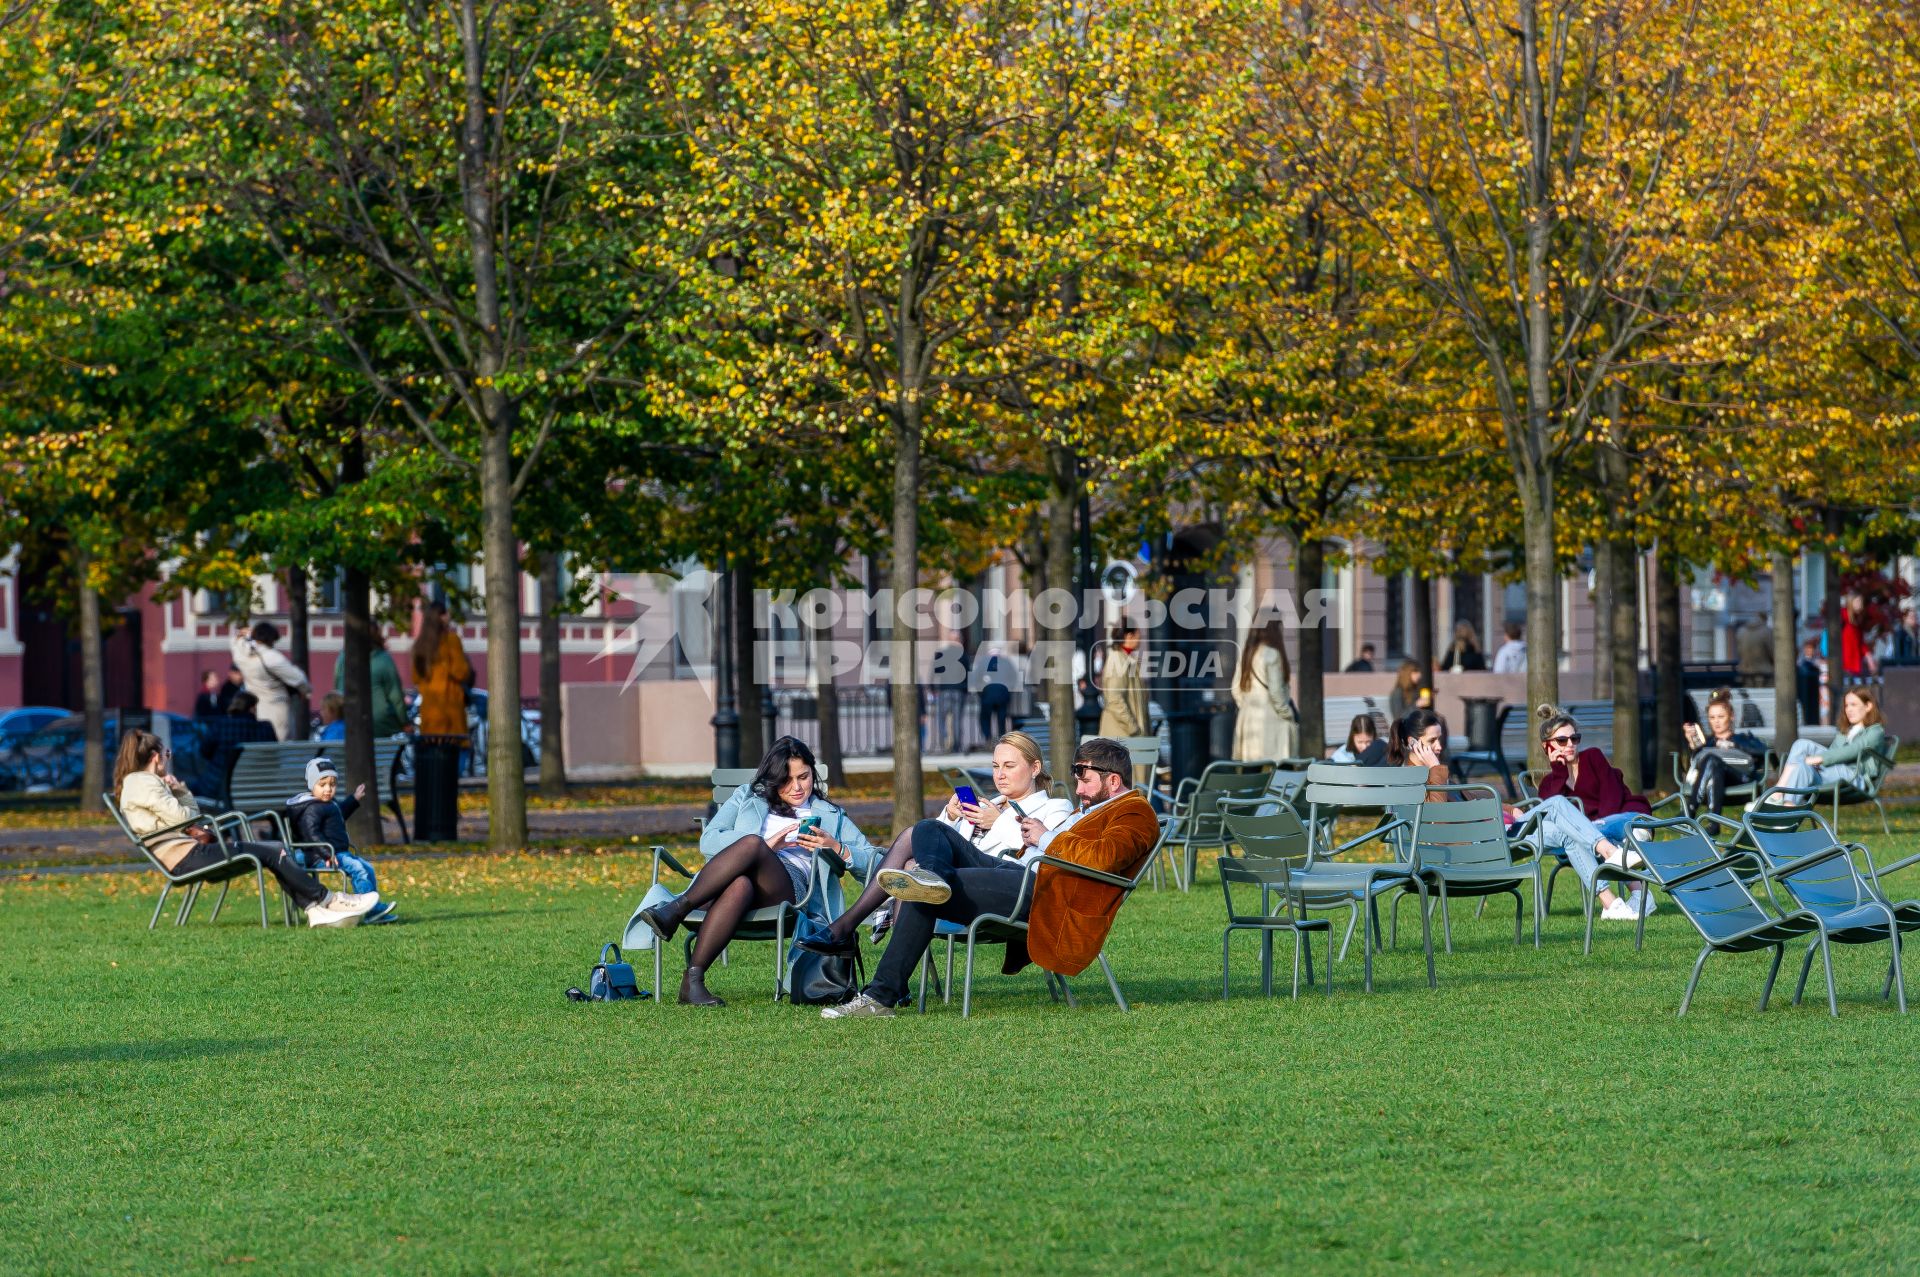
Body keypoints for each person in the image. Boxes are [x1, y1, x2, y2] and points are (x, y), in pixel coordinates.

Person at [822, 737, 1160, 1019]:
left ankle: (879, 997)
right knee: (928, 831)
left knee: (924, 891)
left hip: (1047, 893)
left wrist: (1044, 837)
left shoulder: (1135, 813)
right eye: (1076, 777)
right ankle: (929, 881)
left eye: (1084, 778)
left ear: (1113, 781)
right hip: (1020, 872)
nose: (1078, 787)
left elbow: (1102, 860)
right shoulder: (1089, 809)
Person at [636, 737, 884, 1006]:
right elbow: (708, 841)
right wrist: (767, 847)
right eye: (787, 780)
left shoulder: (829, 814)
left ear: (813, 772)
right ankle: (692, 982)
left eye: (804, 776)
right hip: (729, 880)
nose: (798, 787)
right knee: (742, 880)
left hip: (791, 888)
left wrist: (835, 847)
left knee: (753, 844)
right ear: (773, 779)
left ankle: (675, 910)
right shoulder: (746, 796)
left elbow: (874, 860)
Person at [800, 730, 1076, 955]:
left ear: (1035, 767)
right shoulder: (986, 805)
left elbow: (1046, 854)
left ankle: (847, 927)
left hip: (1002, 893)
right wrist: (951, 816)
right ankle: (864, 945)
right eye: (995, 766)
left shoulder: (1056, 807)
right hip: (955, 886)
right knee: (913, 857)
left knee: (914, 854)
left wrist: (999, 822)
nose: (1000, 774)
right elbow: (936, 848)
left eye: (1009, 766)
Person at [113, 730, 374, 927]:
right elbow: (184, 817)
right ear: (156, 756)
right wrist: (177, 792)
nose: (168, 759)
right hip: (186, 857)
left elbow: (189, 817)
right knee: (274, 851)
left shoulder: (139, 783)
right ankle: (329, 899)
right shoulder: (144, 782)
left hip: (187, 853)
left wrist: (178, 791)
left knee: (274, 851)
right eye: (167, 754)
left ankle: (316, 910)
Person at [1534, 705, 1656, 918]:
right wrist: (1559, 772)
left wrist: (1592, 832)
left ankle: (1632, 837)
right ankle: (1640, 897)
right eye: (1562, 741)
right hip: (1598, 840)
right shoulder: (1548, 784)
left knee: (1591, 836)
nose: (1570, 745)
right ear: (1547, 747)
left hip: (1623, 818)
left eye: (1575, 738)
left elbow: (1613, 796)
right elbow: (1554, 812)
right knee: (1590, 839)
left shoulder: (1592, 757)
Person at [286, 756, 398, 925]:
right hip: (323, 856)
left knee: (368, 868)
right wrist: (326, 854)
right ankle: (371, 911)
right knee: (359, 869)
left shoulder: (330, 804)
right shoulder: (312, 808)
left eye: (332, 784)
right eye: (322, 785)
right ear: (311, 785)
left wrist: (354, 799)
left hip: (339, 853)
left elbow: (339, 815)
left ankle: (374, 910)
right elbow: (312, 834)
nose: (328, 789)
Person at [1770, 686, 1889, 806]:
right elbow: (1833, 752)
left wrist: (1819, 759)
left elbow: (1853, 750)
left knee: (1805, 763)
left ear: (1868, 706)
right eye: (1847, 705)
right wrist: (1817, 764)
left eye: (1853, 704)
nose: (1849, 710)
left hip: (1855, 777)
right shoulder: (1846, 732)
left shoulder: (1875, 731)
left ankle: (1775, 796)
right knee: (1801, 749)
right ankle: (1785, 806)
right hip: (1835, 773)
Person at [1680, 690, 1767, 816]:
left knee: (1712, 760)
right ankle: (1713, 823)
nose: (1716, 721)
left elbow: (1762, 751)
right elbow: (1693, 769)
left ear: (1731, 716)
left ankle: (1691, 808)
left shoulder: (1743, 738)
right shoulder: (1707, 743)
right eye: (1712, 717)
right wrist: (1693, 745)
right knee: (1713, 762)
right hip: (1712, 780)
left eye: (1721, 717)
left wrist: (1733, 745)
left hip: (1740, 779)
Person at [231, 621, 311, 742]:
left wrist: (240, 636)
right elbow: (299, 679)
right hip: (277, 710)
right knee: (278, 748)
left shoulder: (242, 657)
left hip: (256, 710)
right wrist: (305, 692)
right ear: (271, 639)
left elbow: (235, 646)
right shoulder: (272, 657)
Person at [1232, 618, 1298, 762]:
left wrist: (1246, 707)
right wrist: (1288, 714)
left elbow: (1236, 689)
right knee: (1276, 772)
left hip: (1247, 721)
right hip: (1272, 723)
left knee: (1252, 773)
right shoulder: (1272, 654)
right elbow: (1276, 693)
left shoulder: (1246, 654)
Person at [198, 691, 280, 797]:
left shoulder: (221, 725)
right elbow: (273, 759)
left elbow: (204, 751)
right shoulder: (266, 728)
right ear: (251, 708)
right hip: (258, 789)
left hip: (220, 789)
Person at [1098, 624, 1151, 786]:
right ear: (1128, 636)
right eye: (1137, 633)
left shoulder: (1126, 659)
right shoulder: (1118, 661)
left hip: (1128, 737)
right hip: (1124, 736)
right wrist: (1134, 727)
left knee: (1135, 786)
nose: (1140, 638)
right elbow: (1114, 698)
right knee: (1128, 787)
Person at [412, 601, 473, 739]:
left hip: (429, 715)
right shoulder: (451, 641)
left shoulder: (420, 646)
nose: (449, 616)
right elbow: (461, 672)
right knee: (456, 754)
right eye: (445, 613)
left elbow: (416, 678)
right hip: (451, 714)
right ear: (440, 617)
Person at [334, 632, 411, 738]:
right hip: (380, 725)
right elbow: (396, 697)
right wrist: (405, 723)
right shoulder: (384, 659)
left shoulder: (342, 658)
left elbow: (337, 690)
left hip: (349, 722)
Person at [974, 645, 1014, 743]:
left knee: (985, 717)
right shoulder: (1006, 662)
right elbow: (1014, 677)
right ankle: (1002, 739)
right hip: (1003, 693)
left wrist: (980, 693)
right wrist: (1008, 691)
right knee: (1001, 717)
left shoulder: (983, 662)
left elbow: (976, 679)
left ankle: (988, 738)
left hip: (987, 694)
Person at [1735, 618, 1774, 687]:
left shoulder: (1741, 632)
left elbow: (1739, 652)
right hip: (1765, 673)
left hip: (1746, 672)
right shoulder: (1766, 631)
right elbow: (1773, 654)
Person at [1796, 638, 1823, 728]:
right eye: (1807, 649)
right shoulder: (1802, 664)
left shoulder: (1815, 663)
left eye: (1811, 649)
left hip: (1813, 692)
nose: (1809, 651)